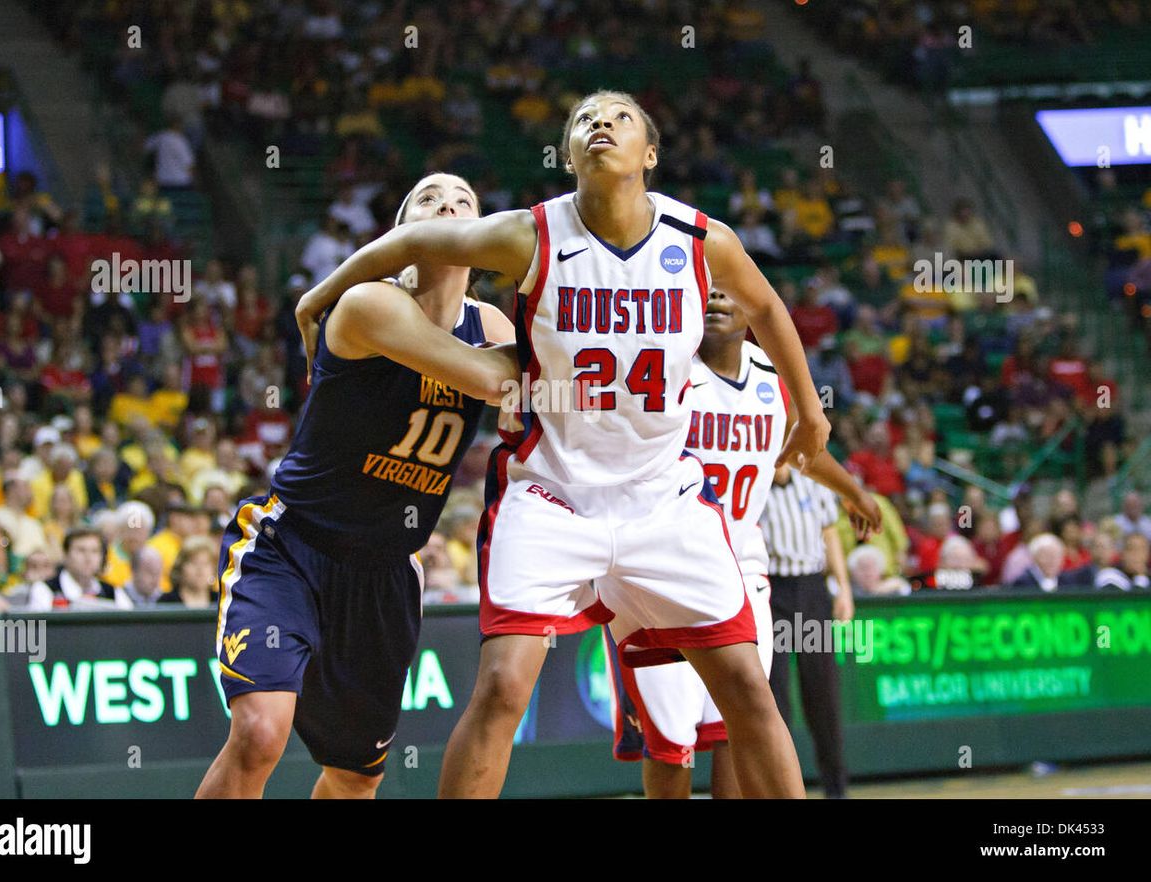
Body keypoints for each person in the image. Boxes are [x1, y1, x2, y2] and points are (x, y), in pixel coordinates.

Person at [295, 91, 831, 798]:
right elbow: (410, 243)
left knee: (747, 689)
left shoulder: (701, 240)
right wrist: (319, 296)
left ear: (650, 154)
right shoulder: (530, 234)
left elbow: (766, 305)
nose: (600, 124)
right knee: (502, 686)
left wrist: (809, 411)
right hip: (552, 493)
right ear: (570, 152)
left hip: (663, 497)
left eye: (620, 117)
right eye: (585, 119)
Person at [197, 173, 516, 800]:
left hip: (385, 570)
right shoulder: (370, 303)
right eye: (427, 199)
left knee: (352, 777)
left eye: (462, 203)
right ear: (400, 233)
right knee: (261, 733)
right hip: (293, 547)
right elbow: (493, 381)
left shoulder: (493, 323)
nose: (446, 206)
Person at [606, 288, 880, 798]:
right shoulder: (663, 366)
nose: (715, 295)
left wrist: (854, 492)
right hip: (659, 569)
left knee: (742, 726)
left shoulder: (770, 379)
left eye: (730, 287)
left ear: (757, 308)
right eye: (704, 286)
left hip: (741, 570)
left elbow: (797, 448)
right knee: (671, 742)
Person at [760, 461, 854, 798]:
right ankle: (780, 788)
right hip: (772, 593)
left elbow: (830, 533)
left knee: (823, 695)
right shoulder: (754, 485)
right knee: (776, 699)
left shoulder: (812, 482)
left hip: (812, 590)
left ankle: (836, 788)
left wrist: (843, 588)